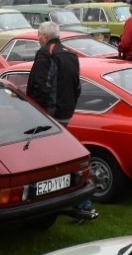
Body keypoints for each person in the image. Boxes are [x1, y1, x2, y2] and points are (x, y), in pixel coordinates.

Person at [27, 21, 97, 222]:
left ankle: (77, 203)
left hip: (49, 115)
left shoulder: (45, 53)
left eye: (39, 35)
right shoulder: (69, 53)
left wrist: (35, 113)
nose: (38, 38)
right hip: (66, 111)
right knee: (63, 158)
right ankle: (81, 202)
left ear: (43, 36)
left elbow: (40, 86)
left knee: (51, 161)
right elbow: (77, 86)